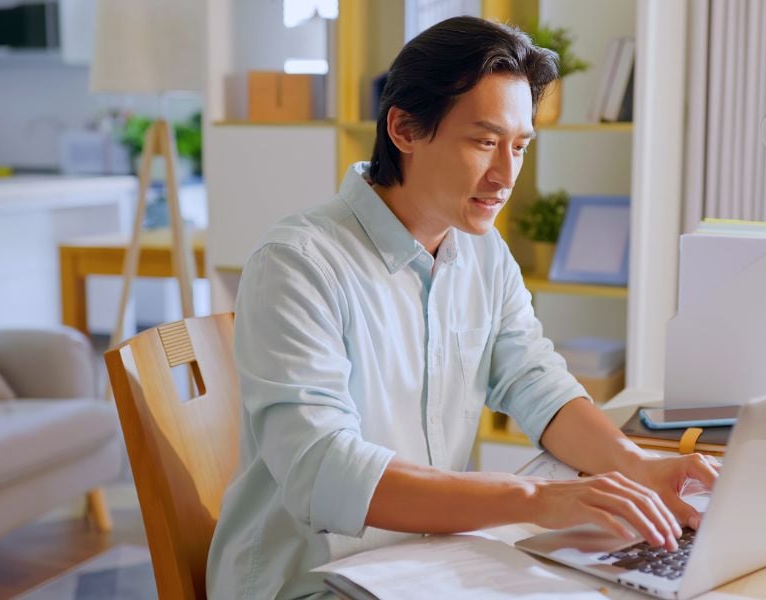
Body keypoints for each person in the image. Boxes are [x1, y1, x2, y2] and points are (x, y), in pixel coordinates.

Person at [206, 16, 719, 600]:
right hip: (307, 583)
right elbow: (323, 470)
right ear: (403, 128)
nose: (505, 177)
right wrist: (535, 499)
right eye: (483, 142)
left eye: (519, 147)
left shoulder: (481, 251)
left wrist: (634, 465)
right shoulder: (298, 263)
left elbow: (533, 381)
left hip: (425, 564)